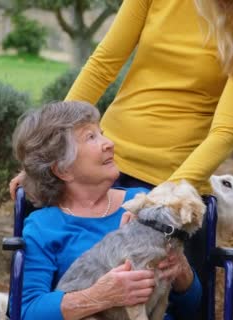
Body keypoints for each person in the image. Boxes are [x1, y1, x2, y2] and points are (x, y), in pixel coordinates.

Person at [11, 0, 233, 195]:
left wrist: (170, 196)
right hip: (103, 165)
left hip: (173, 180)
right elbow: (102, 66)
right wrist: (48, 156)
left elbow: (225, 132)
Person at [12, 101, 201, 320]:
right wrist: (100, 296)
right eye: (90, 137)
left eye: (101, 133)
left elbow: (190, 307)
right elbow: (28, 311)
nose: (109, 143)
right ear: (62, 169)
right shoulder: (43, 227)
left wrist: (182, 272)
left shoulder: (145, 203)